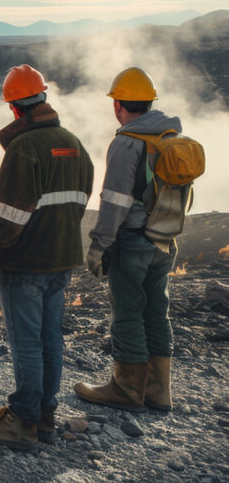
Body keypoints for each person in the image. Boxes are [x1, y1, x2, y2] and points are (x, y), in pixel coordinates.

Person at [0, 65, 94, 452]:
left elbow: (7, 214)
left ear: (13, 108)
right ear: (43, 98)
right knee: (49, 339)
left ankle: (22, 422)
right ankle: (46, 418)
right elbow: (81, 199)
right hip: (63, 258)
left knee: (26, 343)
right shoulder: (72, 142)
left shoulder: (24, 148)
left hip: (26, 264)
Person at [75, 67, 188, 413]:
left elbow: (115, 201)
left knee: (127, 314)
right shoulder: (171, 138)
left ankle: (126, 389)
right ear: (150, 102)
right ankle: (157, 392)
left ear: (118, 106)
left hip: (134, 242)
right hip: (164, 241)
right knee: (157, 312)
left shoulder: (127, 142)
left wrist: (99, 245)